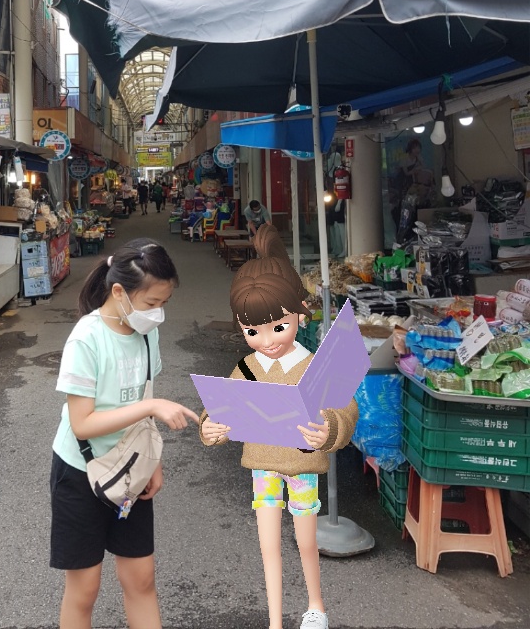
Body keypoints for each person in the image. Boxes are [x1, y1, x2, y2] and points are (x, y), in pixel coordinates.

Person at [51, 239, 199, 629]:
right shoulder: (87, 338)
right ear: (119, 292)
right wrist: (151, 408)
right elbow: (82, 422)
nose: (158, 314)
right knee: (85, 589)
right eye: (151, 304)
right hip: (80, 473)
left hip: (131, 468)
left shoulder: (146, 332)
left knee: (142, 579)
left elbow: (143, 396)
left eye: (163, 304)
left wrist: (153, 462)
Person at [199, 267, 358, 629]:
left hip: (302, 465)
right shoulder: (247, 366)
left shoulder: (314, 364)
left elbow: (345, 408)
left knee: (306, 542)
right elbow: (223, 404)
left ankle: (315, 605)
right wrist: (210, 426)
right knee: (268, 546)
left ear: (300, 315)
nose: (266, 341)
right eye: (252, 332)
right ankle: (274, 620)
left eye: (278, 327)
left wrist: (330, 429)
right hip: (262, 466)